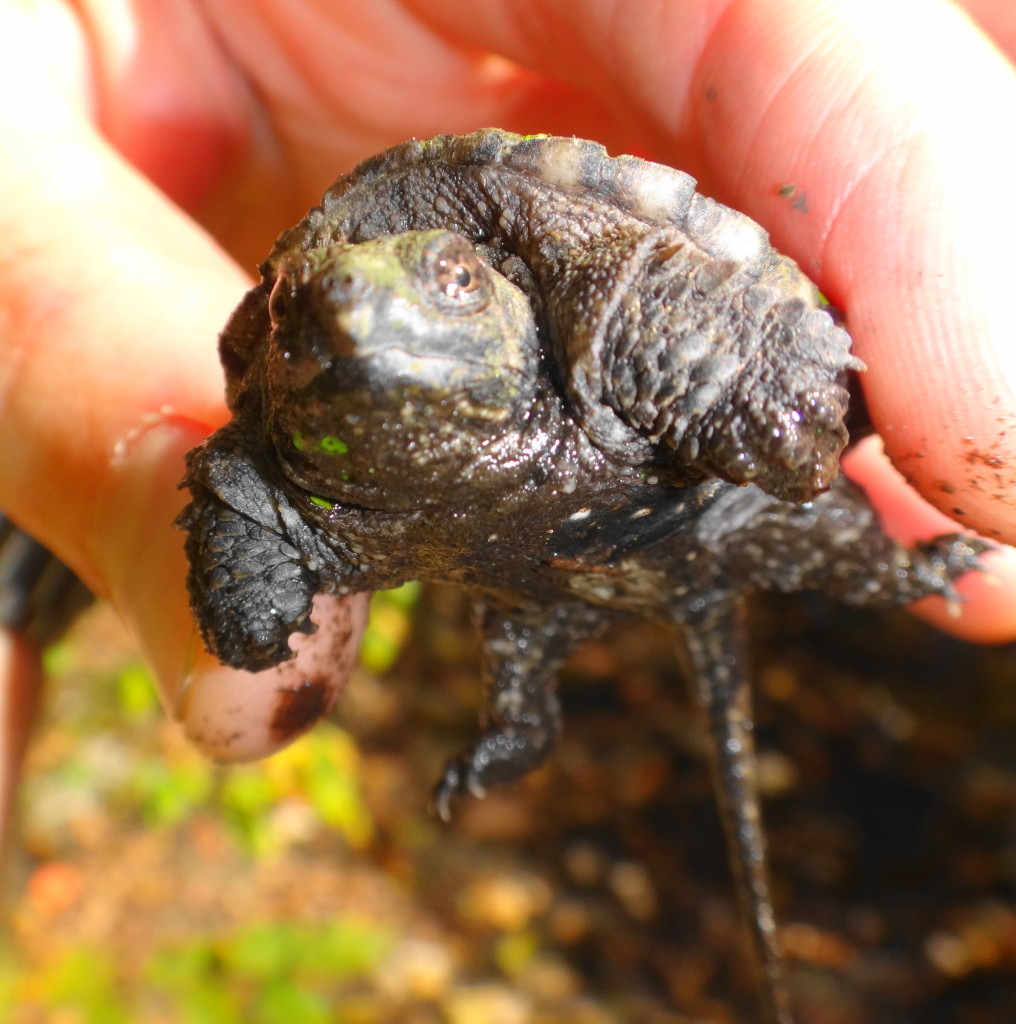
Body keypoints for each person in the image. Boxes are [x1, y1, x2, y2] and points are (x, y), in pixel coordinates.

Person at [2, 0, 1015, 848]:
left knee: (851, 528)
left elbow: (740, 359)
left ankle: (917, 565)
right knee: (505, 650)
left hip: (693, 512)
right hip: (521, 565)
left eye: (445, 288)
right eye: (319, 324)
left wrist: (769, 388)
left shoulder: (587, 282)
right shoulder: (286, 479)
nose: (372, 324)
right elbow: (241, 513)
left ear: (489, 281)